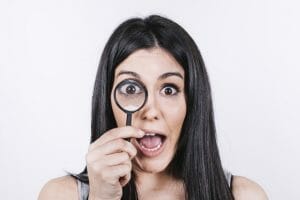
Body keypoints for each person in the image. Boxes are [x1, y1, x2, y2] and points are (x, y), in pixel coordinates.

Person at [38, 15, 268, 200]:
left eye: (169, 89)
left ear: (193, 101)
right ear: (107, 100)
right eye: (131, 89)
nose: (150, 111)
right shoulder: (61, 195)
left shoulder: (244, 195)